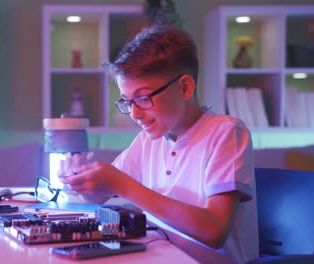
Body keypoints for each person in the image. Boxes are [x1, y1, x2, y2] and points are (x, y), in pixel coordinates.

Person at [61, 24, 259, 264]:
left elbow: (213, 231)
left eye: (143, 98)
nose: (134, 113)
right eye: (127, 101)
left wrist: (122, 184)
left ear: (184, 87)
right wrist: (82, 179)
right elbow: (98, 197)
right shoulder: (148, 140)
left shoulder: (226, 132)